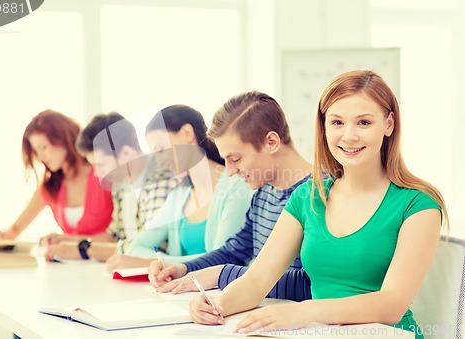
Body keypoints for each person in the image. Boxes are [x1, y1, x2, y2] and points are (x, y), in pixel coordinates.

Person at [189, 70, 449, 339]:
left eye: (363, 122)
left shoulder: (419, 204)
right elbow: (256, 280)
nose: (348, 136)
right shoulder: (307, 198)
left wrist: (306, 312)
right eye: (337, 122)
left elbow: (392, 304)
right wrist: (217, 304)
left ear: (389, 124)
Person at [148, 91, 314, 302]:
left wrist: (219, 275)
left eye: (235, 158)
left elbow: (310, 283)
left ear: (271, 142)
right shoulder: (264, 193)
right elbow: (234, 251)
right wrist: (184, 268)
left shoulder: (322, 194)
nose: (229, 171)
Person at [106, 105, 253, 272]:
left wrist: (161, 264)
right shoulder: (178, 197)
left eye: (161, 149)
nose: (160, 162)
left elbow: (223, 260)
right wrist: (166, 265)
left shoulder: (237, 188)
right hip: (182, 294)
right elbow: (134, 248)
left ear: (187, 134)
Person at [43, 112, 179, 262]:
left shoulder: (161, 178)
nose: (95, 174)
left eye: (100, 165)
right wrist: (67, 239)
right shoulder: (121, 183)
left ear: (126, 153)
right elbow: (113, 236)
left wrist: (83, 249)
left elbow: (153, 249)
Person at [0, 110, 113, 240]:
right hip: (67, 260)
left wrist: (66, 240)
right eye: (36, 151)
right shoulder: (50, 187)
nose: (41, 156)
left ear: (63, 138)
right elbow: (14, 230)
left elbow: (118, 235)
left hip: (108, 259)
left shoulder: (103, 171)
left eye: (43, 147)